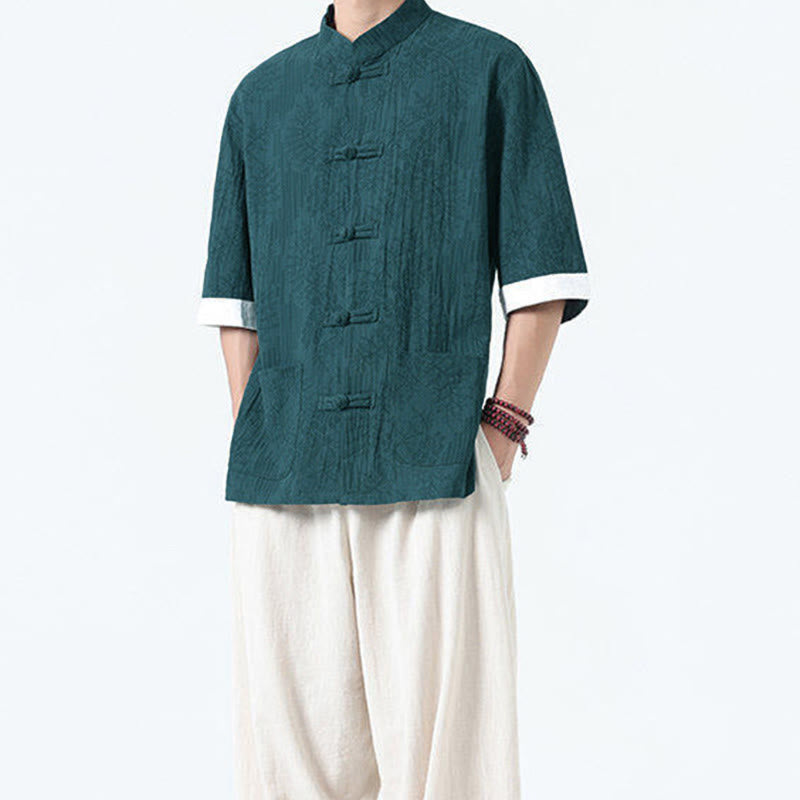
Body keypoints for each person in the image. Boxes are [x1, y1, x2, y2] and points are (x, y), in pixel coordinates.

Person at [197, 0, 590, 796]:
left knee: (453, 766)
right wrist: (264, 431)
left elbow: (540, 279)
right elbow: (237, 305)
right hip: (283, 489)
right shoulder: (260, 97)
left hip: (437, 469)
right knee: (288, 772)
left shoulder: (490, 70)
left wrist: (502, 428)